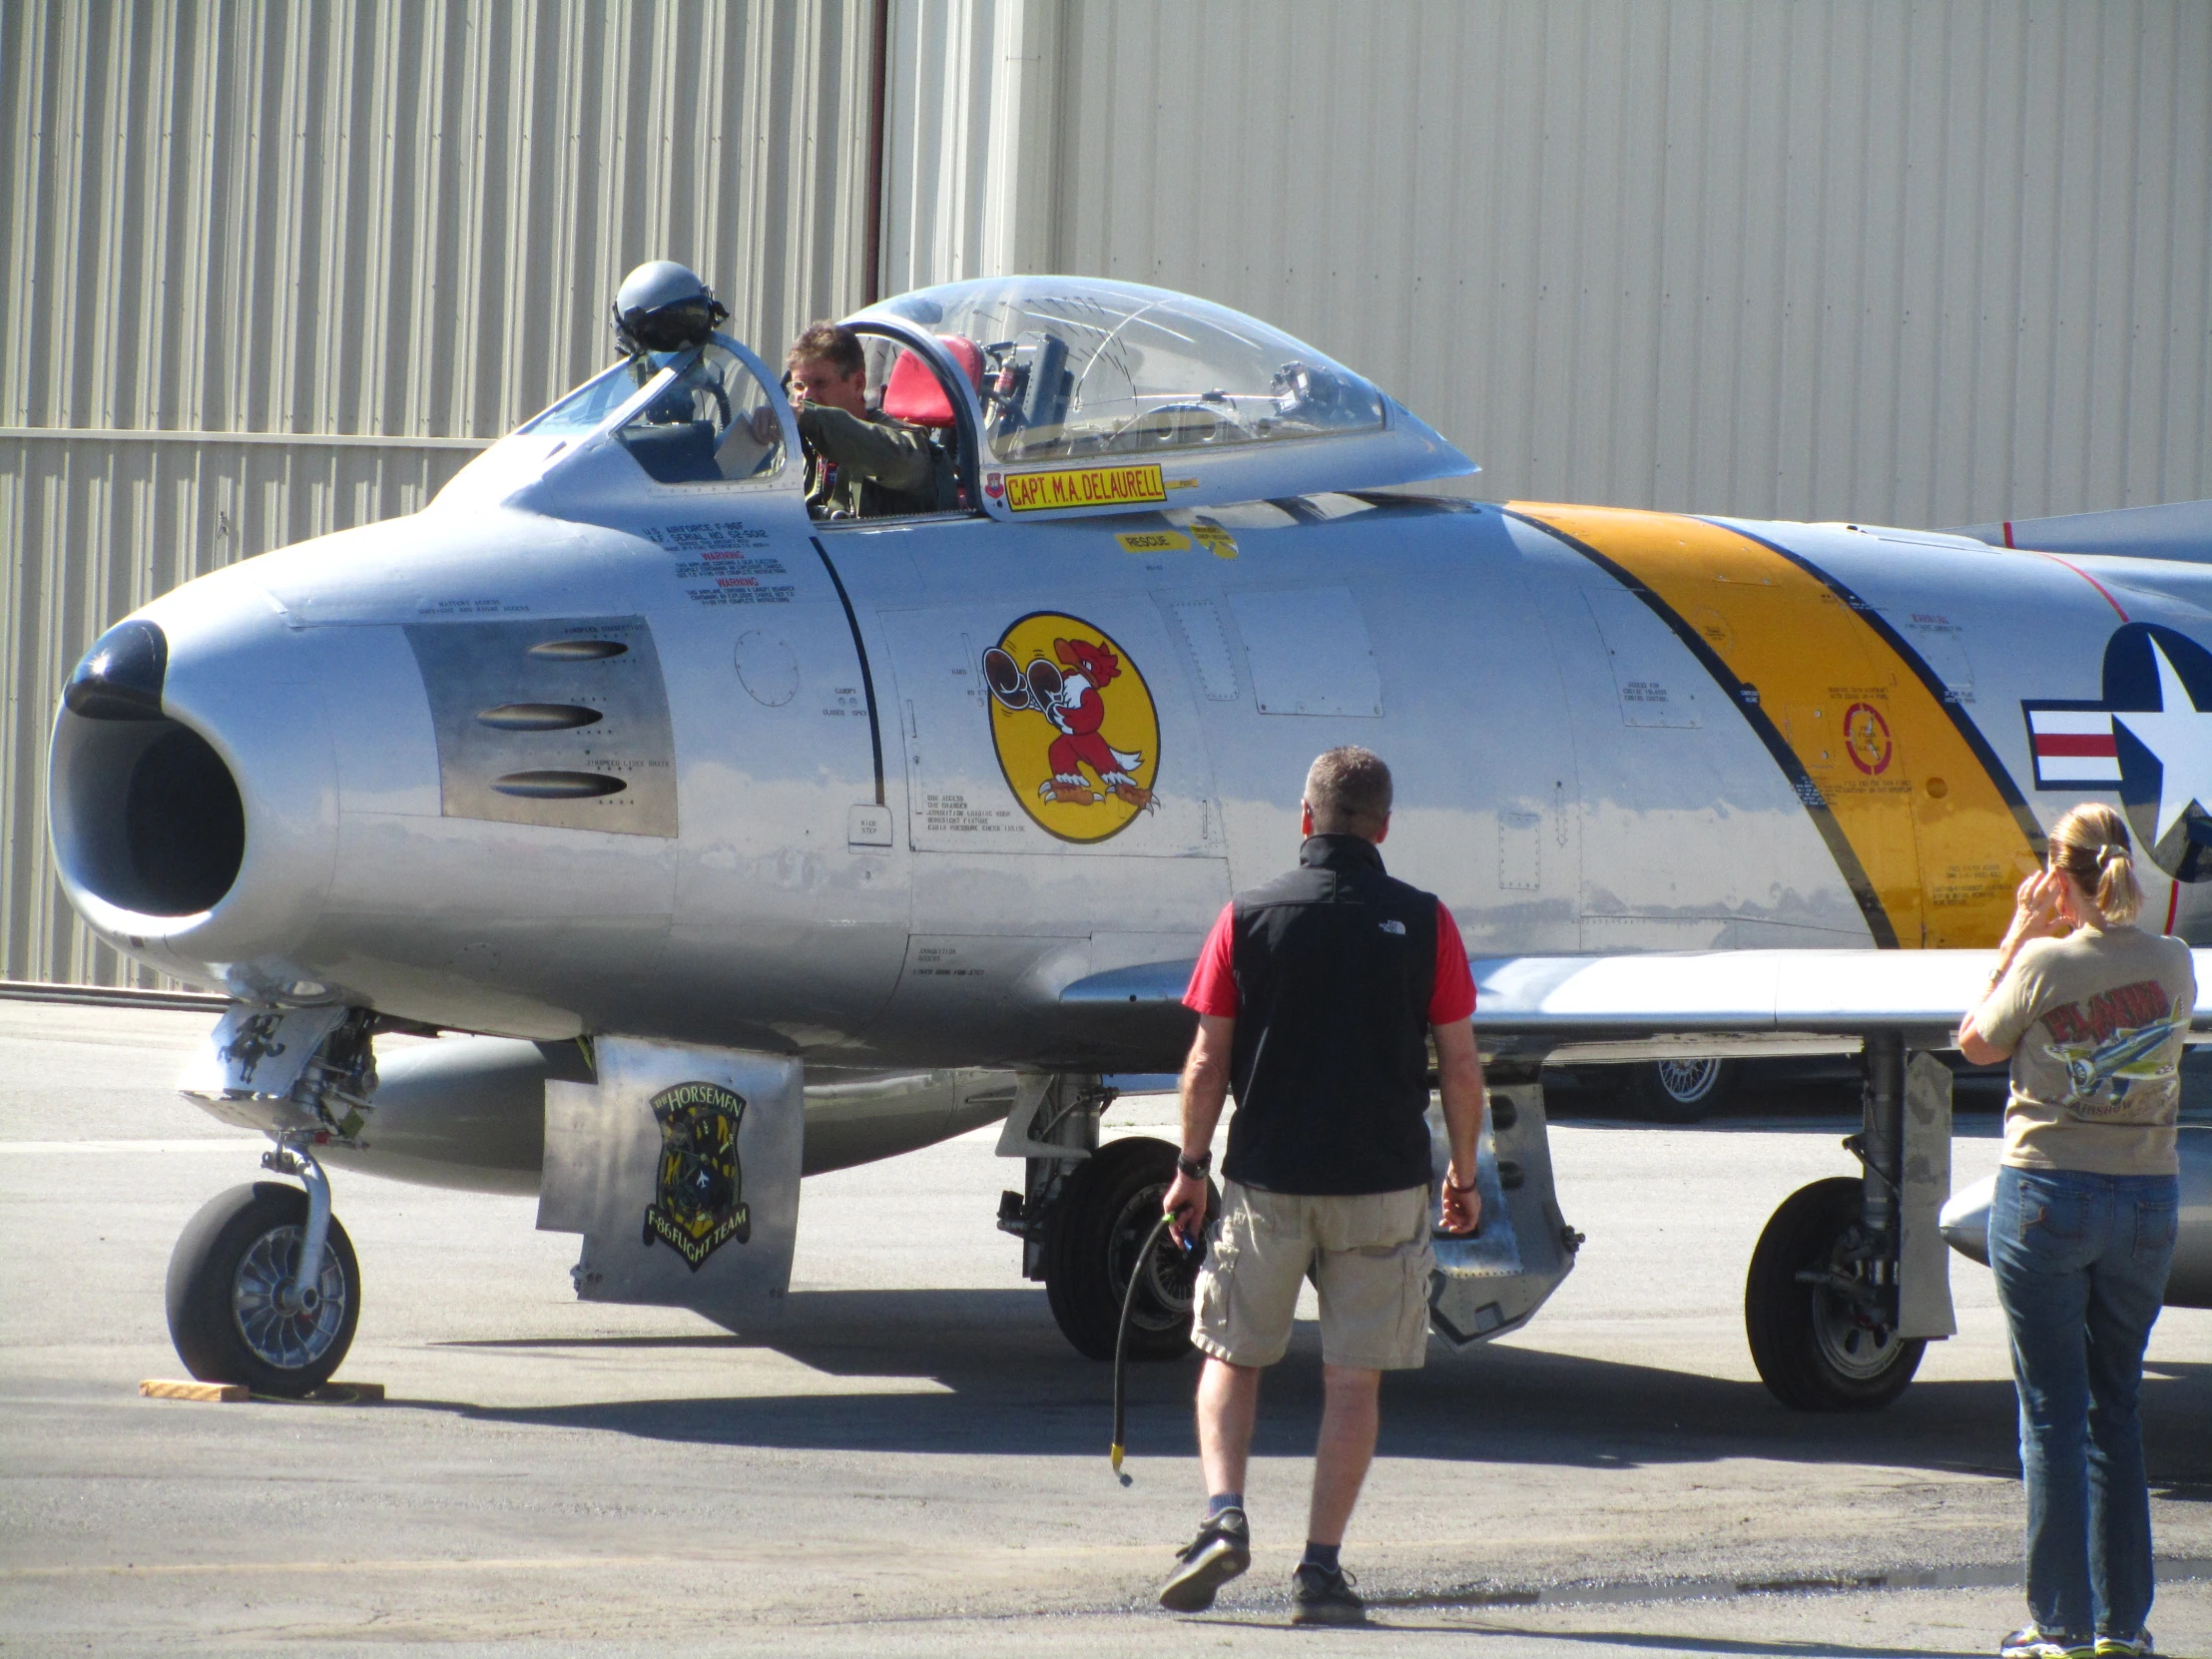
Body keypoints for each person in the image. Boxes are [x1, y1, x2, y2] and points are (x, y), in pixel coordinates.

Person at [1156, 747, 1485, 1625]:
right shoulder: (1425, 922)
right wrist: (1462, 1172)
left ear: (1305, 818)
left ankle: (1224, 1517)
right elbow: (1459, 1064)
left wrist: (1190, 1170)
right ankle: (1321, 1570)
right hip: (1382, 1188)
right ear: (1383, 827)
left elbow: (1206, 1061)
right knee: (1352, 1384)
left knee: (1231, 1355)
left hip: (1269, 1181)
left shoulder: (1247, 916)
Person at [1958, 804, 2189, 1659]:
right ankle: (2123, 1628)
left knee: (2052, 1411)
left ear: (2060, 875)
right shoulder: (2173, 964)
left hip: (2050, 1193)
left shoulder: (2046, 963)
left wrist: (2020, 928)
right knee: (2116, 1405)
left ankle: (2058, 1624)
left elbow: (1975, 1042)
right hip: (2146, 1202)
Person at [783, 321, 940, 518]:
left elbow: (901, 463)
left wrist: (810, 418)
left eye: (820, 383)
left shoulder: (903, 446)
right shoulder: (799, 440)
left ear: (858, 384)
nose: (805, 396)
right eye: (799, 386)